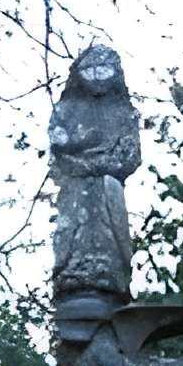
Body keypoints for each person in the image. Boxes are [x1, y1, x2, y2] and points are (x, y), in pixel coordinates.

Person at [49, 44, 140, 300]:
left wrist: (93, 164)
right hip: (74, 187)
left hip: (108, 185)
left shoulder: (124, 112)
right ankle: (72, 271)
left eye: (104, 69)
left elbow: (130, 156)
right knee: (71, 229)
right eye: (91, 69)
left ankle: (109, 273)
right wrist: (85, 161)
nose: (98, 75)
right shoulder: (65, 110)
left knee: (109, 224)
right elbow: (59, 152)